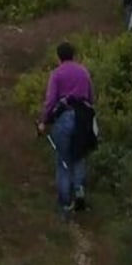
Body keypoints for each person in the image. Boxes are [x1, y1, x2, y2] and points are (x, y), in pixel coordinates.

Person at [36, 40, 96, 215]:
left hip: (64, 118)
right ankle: (79, 194)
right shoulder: (83, 72)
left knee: (63, 161)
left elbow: (50, 101)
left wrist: (43, 121)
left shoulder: (57, 74)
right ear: (74, 55)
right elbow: (91, 98)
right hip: (83, 118)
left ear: (58, 57)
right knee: (79, 157)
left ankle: (64, 205)